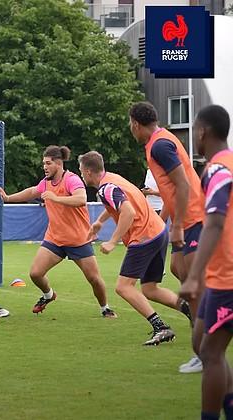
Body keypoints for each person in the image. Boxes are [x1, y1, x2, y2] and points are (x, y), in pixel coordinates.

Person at [80, 151, 188, 345]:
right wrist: (99, 222)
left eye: (81, 171)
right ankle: (192, 310)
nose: (81, 175)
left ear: (88, 171)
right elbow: (118, 203)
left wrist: (113, 241)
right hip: (158, 231)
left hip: (144, 237)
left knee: (123, 287)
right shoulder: (113, 179)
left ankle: (160, 327)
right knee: (150, 289)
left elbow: (127, 212)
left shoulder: (106, 188)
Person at [129, 101, 206, 372]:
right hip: (187, 218)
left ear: (136, 124)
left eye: (131, 125)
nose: (131, 130)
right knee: (177, 269)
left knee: (194, 288)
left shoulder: (160, 145)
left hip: (194, 218)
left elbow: (183, 184)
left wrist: (177, 226)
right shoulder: (160, 142)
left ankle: (204, 353)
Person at [0, 145, 113, 317]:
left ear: (58, 164)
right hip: (55, 239)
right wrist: (8, 198)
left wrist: (56, 198)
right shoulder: (46, 183)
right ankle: (48, 295)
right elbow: (32, 192)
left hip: (78, 239)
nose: (44, 167)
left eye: (48, 163)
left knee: (94, 279)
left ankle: (105, 308)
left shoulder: (72, 179)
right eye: (43, 163)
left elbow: (81, 199)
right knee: (35, 273)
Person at [179, 105, 233, 419]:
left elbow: (214, 223)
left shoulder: (217, 170)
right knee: (203, 342)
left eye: (194, 131)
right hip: (218, 276)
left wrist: (193, 276)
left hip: (226, 276)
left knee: (211, 353)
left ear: (202, 132)